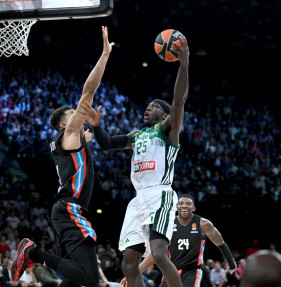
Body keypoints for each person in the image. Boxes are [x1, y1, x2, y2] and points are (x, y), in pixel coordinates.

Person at [78, 34, 190, 287]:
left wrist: (184, 65)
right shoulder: (136, 135)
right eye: (147, 106)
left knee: (159, 254)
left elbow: (179, 101)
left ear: (165, 114)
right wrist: (96, 126)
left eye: (154, 107)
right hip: (138, 198)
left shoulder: (168, 130)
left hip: (160, 194)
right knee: (128, 264)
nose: (147, 108)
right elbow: (106, 144)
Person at [10, 26, 115, 287]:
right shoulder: (68, 137)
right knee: (89, 279)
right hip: (70, 208)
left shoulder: (73, 140)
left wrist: (97, 126)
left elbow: (98, 138)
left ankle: (35, 254)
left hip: (66, 209)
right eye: (73, 115)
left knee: (73, 281)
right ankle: (33, 253)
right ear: (62, 125)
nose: (78, 115)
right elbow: (87, 94)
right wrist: (104, 55)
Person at [120, 194, 237, 287]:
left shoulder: (203, 224)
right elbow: (155, 255)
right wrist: (135, 272)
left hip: (192, 272)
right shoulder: (168, 225)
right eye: (181, 203)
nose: (184, 205)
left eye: (188, 204)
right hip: (171, 272)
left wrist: (231, 264)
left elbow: (220, 242)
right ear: (176, 208)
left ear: (194, 208)